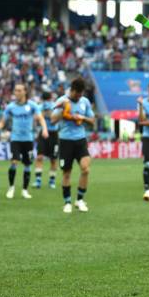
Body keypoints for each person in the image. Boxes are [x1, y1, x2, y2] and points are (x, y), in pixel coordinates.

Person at [51, 77, 95, 213]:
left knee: (86, 169)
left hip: (80, 140)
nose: (80, 96)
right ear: (72, 90)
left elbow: (92, 121)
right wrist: (62, 111)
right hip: (65, 141)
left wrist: (82, 118)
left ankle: (80, 200)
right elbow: (52, 120)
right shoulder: (62, 100)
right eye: (77, 93)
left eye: (81, 93)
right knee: (67, 173)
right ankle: (67, 202)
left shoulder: (84, 101)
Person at [0, 84, 48, 200]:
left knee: (27, 164)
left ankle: (25, 190)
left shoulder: (32, 106)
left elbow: (41, 118)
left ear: (25, 92)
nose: (17, 92)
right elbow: (2, 122)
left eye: (19, 90)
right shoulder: (10, 107)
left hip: (28, 140)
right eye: (15, 90)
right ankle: (11, 187)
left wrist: (44, 129)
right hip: (15, 139)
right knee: (14, 161)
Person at [33, 91, 59, 189]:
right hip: (43, 133)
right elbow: (35, 117)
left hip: (53, 133)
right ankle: (38, 181)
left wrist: (50, 113)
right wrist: (43, 113)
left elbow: (56, 118)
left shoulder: (55, 106)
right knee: (40, 156)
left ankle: (52, 181)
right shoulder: (40, 107)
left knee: (53, 158)